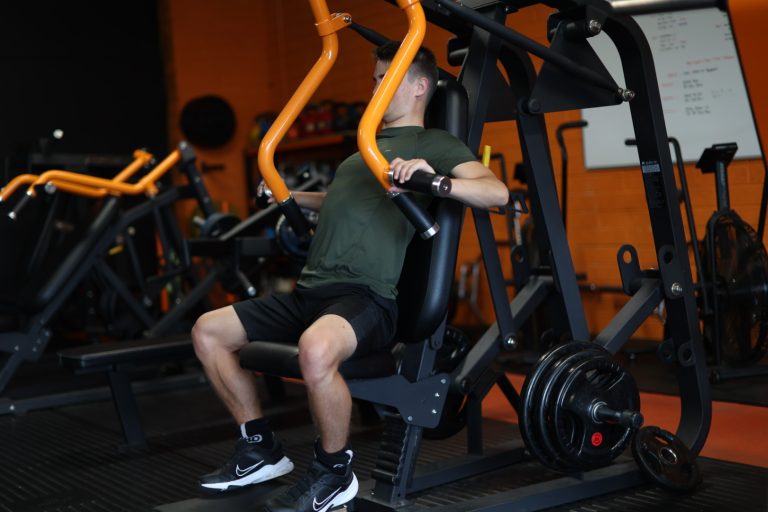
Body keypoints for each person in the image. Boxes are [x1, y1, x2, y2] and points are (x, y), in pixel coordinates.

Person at [191, 41, 509, 512]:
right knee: (208, 331)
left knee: (315, 351)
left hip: (368, 298)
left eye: (387, 80)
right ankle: (260, 449)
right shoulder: (362, 150)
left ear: (420, 86)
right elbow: (342, 203)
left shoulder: (435, 144)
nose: (375, 89)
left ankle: (334, 472)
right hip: (310, 292)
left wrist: (432, 180)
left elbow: (496, 192)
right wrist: (291, 194)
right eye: (374, 79)